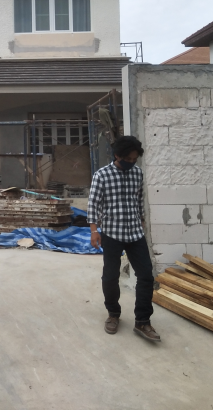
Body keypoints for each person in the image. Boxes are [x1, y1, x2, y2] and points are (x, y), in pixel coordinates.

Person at [88, 135, 160, 342]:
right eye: (127, 159)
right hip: (112, 233)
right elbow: (93, 204)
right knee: (110, 276)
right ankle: (113, 314)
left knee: (146, 276)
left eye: (134, 159)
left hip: (135, 233)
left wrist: (142, 219)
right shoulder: (102, 175)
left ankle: (143, 321)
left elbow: (139, 200)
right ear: (117, 155)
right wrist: (94, 231)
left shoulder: (137, 173)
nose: (131, 163)